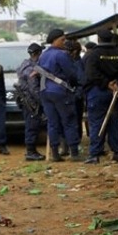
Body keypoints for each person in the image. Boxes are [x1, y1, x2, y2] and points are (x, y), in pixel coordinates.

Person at [83, 29, 118, 164]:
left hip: (97, 92)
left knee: (97, 123)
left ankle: (94, 154)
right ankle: (117, 153)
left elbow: (91, 74)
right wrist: (117, 84)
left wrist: (106, 84)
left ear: (98, 39)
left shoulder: (93, 55)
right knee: (115, 123)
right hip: (116, 93)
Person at [37, 29, 81, 162]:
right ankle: (74, 152)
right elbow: (72, 73)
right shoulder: (62, 55)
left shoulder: (43, 55)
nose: (64, 42)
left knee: (52, 122)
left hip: (45, 91)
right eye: (62, 39)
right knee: (69, 121)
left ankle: (55, 153)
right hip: (61, 92)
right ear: (55, 40)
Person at [16, 43, 45, 161]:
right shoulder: (30, 69)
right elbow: (34, 89)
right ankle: (30, 152)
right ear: (37, 53)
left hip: (28, 100)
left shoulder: (26, 64)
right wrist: (43, 102)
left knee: (32, 125)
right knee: (32, 126)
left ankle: (31, 150)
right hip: (31, 102)